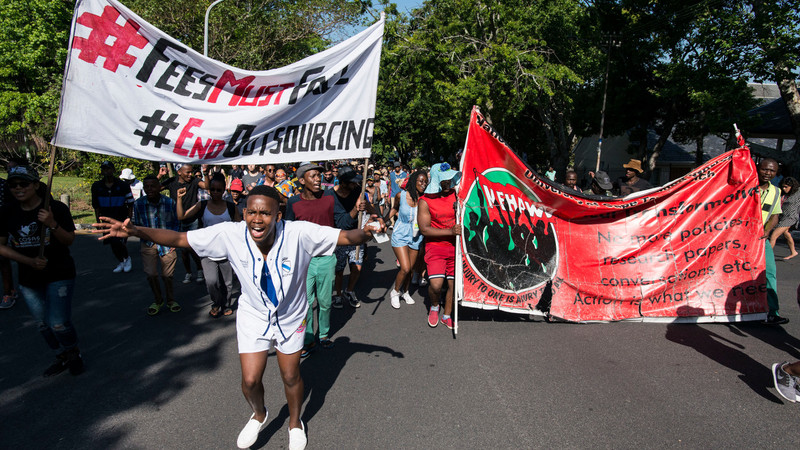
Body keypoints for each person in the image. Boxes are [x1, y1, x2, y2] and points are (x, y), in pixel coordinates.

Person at [95, 185, 382, 450]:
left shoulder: (299, 233)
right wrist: (136, 231)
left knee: (291, 374)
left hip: (291, 317)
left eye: (266, 213)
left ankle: (295, 423)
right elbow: (181, 238)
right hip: (254, 316)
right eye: (252, 212)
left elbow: (344, 236)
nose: (258, 219)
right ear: (244, 213)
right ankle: (259, 414)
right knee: (249, 380)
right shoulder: (230, 234)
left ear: (278, 215)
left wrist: (367, 232)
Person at [0, 165, 83, 376]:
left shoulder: (55, 209)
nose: (18, 188)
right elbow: (1, 246)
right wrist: (28, 261)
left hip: (60, 273)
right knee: (42, 324)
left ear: (36, 185)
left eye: (23, 183)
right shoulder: (7, 212)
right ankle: (61, 356)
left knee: (57, 323)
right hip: (29, 278)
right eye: (13, 184)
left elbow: (69, 240)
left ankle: (73, 352)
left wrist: (52, 223)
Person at [285, 162, 338, 356]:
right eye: (313, 176)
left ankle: (323, 335)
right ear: (301, 180)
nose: (318, 179)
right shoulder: (293, 202)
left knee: (325, 302)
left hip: (326, 258)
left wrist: (358, 209)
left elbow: (342, 219)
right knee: (305, 303)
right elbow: (287, 231)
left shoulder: (330, 197)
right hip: (303, 260)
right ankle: (306, 339)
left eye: (319, 176)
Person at [177, 173, 240, 318]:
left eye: (219, 190)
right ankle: (216, 302)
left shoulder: (230, 207)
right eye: (213, 190)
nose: (216, 193)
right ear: (209, 190)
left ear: (224, 190)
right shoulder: (203, 205)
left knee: (228, 283)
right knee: (211, 282)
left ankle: (226, 304)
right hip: (207, 250)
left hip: (226, 251)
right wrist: (179, 198)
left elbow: (239, 228)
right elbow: (181, 216)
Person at [418, 168, 462, 329]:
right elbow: (424, 229)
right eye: (444, 179)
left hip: (456, 247)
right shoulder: (425, 200)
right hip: (435, 246)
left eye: (450, 179)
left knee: (453, 285)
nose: (447, 182)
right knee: (436, 285)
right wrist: (450, 231)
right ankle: (435, 306)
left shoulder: (456, 194)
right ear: (436, 179)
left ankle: (447, 315)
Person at [133, 175, 182, 315]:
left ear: (159, 187)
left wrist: (175, 241)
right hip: (148, 243)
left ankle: (171, 300)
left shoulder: (169, 202)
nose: (150, 189)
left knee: (168, 275)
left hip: (167, 243)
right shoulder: (138, 204)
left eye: (152, 186)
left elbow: (176, 222)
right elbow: (137, 225)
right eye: (146, 186)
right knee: (151, 274)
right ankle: (158, 299)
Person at [332, 165, 377, 309]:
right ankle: (338, 295)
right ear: (342, 183)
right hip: (339, 237)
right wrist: (356, 209)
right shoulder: (330, 196)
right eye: (352, 182)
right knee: (339, 270)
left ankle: (349, 291)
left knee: (357, 267)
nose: (356, 184)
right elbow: (342, 224)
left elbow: (369, 207)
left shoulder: (358, 190)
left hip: (356, 235)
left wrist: (377, 216)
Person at [385, 170, 428, 308]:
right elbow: (394, 208)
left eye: (426, 181)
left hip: (416, 236)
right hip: (400, 234)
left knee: (411, 269)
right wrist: (384, 220)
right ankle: (395, 292)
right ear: (414, 181)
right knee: (405, 267)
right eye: (421, 181)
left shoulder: (425, 199)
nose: (424, 184)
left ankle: (406, 292)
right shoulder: (400, 195)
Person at [159, 164, 207, 284]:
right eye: (187, 172)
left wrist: (205, 173)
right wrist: (159, 175)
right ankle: (188, 272)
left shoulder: (195, 181)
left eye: (191, 172)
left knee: (192, 247)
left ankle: (200, 269)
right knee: (184, 250)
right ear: (179, 172)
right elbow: (154, 188)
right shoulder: (171, 182)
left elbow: (206, 186)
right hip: (178, 220)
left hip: (193, 219)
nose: (190, 175)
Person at [758, 158, 788, 325]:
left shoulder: (776, 192)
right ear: (758, 168)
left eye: (772, 171)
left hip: (761, 239)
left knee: (769, 273)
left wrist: (767, 230)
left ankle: (772, 312)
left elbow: (775, 215)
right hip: (739, 239)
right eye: (765, 169)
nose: (768, 173)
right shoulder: (746, 187)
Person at [91, 161, 134, 273]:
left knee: (119, 241)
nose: (106, 171)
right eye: (104, 169)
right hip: (106, 218)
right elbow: (96, 206)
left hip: (120, 218)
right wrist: (98, 221)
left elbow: (130, 203)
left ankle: (127, 258)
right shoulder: (96, 186)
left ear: (113, 170)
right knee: (111, 241)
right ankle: (121, 261)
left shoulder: (123, 185)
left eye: (109, 169)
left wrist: (129, 219)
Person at [770, 176, 800, 260]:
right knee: (786, 234)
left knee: (773, 235)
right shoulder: (783, 194)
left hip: (790, 218)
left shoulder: (798, 193)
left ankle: (766, 256)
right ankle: (793, 251)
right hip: (782, 216)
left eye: (786, 187)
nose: (784, 188)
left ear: (792, 186)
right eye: (783, 186)